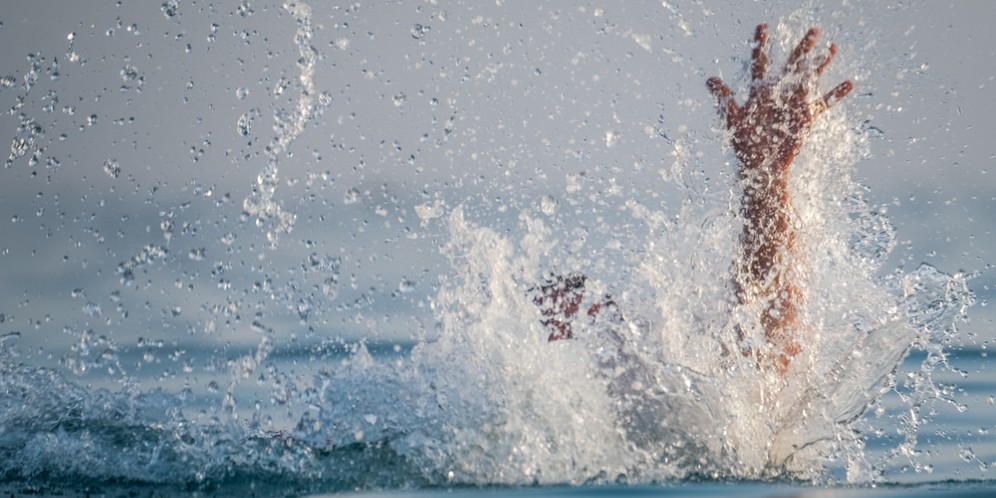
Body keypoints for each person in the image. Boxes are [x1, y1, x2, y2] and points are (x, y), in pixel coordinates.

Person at [537, 24, 853, 374]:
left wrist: (765, 179)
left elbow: (765, 356)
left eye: (567, 316)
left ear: (598, 308)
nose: (554, 333)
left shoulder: (652, 356)